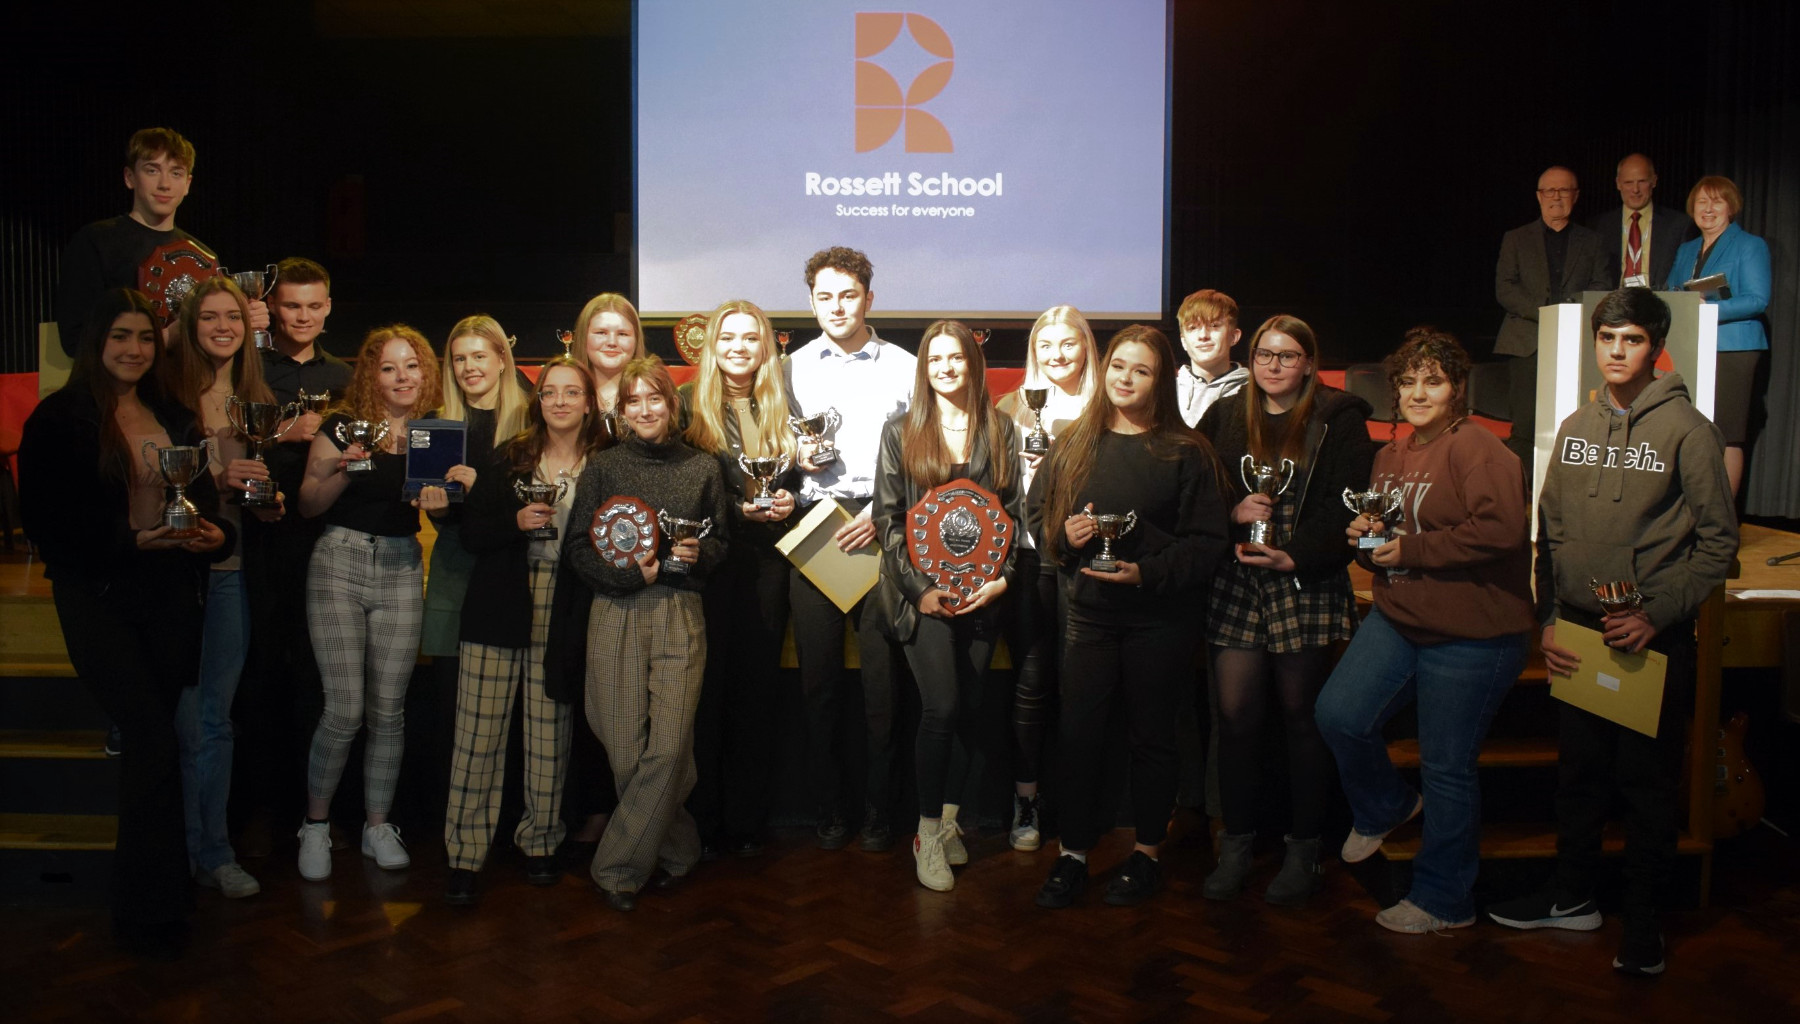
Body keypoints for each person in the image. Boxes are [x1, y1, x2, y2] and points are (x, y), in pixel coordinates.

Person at [1489, 288, 1737, 976]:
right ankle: (1572, 898)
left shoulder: (1688, 429)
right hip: (1579, 633)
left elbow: (1719, 544)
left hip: (1649, 638)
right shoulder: (1574, 426)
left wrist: (1656, 611)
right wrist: (1547, 618)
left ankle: (1646, 926)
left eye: (1630, 340)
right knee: (1580, 778)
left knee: (1646, 788)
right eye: (1607, 340)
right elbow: (1552, 531)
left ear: (1654, 347)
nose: (1617, 352)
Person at [20, 289, 230, 956]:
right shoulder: (60, 418)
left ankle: (158, 896)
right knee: (150, 738)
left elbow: (201, 504)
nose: (134, 349)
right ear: (96, 343)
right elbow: (48, 523)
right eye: (120, 337)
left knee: (155, 743)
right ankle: (148, 904)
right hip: (99, 596)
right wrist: (127, 542)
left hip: (168, 597)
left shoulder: (172, 412)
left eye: (144, 337)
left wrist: (212, 535)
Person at [1313, 327, 1534, 934]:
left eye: (1432, 381)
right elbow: (1390, 544)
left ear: (1457, 389)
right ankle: (1386, 804)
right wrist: (1366, 540)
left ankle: (1445, 900)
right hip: (1401, 616)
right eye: (1407, 382)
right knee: (1338, 714)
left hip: (1474, 632)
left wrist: (1412, 546)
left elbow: (1501, 532)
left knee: (1446, 768)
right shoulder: (1390, 455)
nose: (1417, 392)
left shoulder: (1480, 449)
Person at [1029, 325, 1231, 908]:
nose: (1126, 378)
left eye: (1140, 370)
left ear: (1158, 380)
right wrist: (1063, 537)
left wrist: (1148, 573)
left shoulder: (1187, 451)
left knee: (1151, 739)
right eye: (1119, 366)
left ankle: (1146, 854)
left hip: (1160, 619)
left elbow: (1205, 542)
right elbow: (1040, 515)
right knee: (1079, 735)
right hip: (1089, 617)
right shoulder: (1073, 442)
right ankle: (1073, 854)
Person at [1197, 314, 1375, 906]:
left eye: (1287, 356)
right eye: (1265, 355)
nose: (1274, 366)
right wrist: (1231, 513)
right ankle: (1237, 845)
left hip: (1305, 583)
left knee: (1303, 721)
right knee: (1238, 719)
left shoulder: (1339, 417)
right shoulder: (1224, 413)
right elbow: (1194, 488)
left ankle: (1304, 851)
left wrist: (1293, 556)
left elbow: (1343, 505)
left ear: (1307, 362)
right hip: (1237, 584)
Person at [565, 356, 730, 910]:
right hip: (615, 610)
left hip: (681, 612)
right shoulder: (603, 468)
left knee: (668, 746)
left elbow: (720, 544)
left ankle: (615, 869)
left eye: (653, 398)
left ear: (671, 403)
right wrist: (625, 574)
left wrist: (697, 553)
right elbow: (576, 547)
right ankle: (678, 847)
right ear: (622, 410)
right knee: (625, 752)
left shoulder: (703, 468)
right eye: (632, 401)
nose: (643, 410)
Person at [443, 355, 606, 905]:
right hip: (500, 602)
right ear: (538, 402)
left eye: (571, 392)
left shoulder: (605, 462)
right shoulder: (511, 458)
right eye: (550, 392)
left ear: (589, 402)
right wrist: (513, 523)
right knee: (477, 735)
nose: (560, 401)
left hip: (566, 606)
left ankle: (541, 843)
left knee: (549, 732)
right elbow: (471, 535)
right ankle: (464, 855)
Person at [295, 325, 454, 880]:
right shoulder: (344, 425)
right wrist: (344, 467)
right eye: (389, 367)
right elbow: (309, 504)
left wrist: (443, 500)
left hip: (401, 566)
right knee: (344, 710)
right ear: (371, 375)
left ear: (425, 372)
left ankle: (377, 826)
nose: (402, 376)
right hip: (339, 562)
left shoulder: (435, 433)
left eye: (411, 365)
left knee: (389, 711)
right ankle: (315, 826)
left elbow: (443, 513)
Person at [873, 320, 1024, 891]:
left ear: (973, 364)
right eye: (934, 359)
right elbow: (888, 521)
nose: (945, 368)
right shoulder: (900, 431)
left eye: (955, 358)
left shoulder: (1002, 430)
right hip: (925, 598)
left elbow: (1014, 516)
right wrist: (920, 589)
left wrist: (1002, 580)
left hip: (984, 596)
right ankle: (927, 830)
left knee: (971, 709)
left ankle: (952, 821)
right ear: (923, 368)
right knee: (942, 706)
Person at [782, 246, 915, 851]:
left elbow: (921, 458)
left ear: (870, 298)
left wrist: (880, 514)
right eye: (824, 296)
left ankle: (880, 812)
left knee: (882, 686)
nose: (836, 307)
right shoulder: (790, 367)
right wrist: (795, 456)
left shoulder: (907, 367)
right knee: (819, 685)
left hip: (881, 526)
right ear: (811, 301)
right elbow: (775, 446)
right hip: (816, 527)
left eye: (848, 294)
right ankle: (829, 808)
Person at [163, 276, 283, 900]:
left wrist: (266, 500)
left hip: (231, 574)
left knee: (215, 722)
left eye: (231, 316)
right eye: (208, 316)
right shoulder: (165, 395)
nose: (221, 327)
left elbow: (255, 499)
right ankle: (175, 850)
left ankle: (213, 850)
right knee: (179, 722)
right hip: (172, 577)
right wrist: (218, 473)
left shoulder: (252, 397)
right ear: (189, 325)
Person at [235, 256, 352, 855]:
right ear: (272, 309)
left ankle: (318, 808)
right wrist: (284, 432)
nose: (303, 315)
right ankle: (260, 807)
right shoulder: (247, 368)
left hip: (327, 544)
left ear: (329, 308)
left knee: (319, 676)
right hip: (261, 540)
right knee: (259, 673)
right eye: (291, 305)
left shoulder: (345, 375)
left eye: (314, 305)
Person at [679, 300, 802, 859]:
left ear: (766, 346)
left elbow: (798, 480)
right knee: (706, 693)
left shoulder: (784, 403)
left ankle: (747, 820)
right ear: (711, 344)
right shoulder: (685, 405)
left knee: (756, 693)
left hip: (768, 565)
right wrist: (735, 508)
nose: (738, 348)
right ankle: (701, 820)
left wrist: (789, 501)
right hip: (709, 566)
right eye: (728, 337)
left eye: (750, 339)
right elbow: (681, 492)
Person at [993, 305, 1099, 851]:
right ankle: (1027, 800)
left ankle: (1079, 803)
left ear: (1086, 348)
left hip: (1088, 565)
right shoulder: (1012, 408)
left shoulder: (1109, 406)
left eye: (1068, 344)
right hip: (1031, 561)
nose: (1057, 356)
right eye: (1046, 346)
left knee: (1082, 687)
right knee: (1032, 684)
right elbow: (992, 488)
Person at [417, 317, 530, 821]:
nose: (469, 368)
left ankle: (508, 821)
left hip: (515, 575)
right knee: (454, 709)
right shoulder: (437, 426)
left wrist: (483, 486)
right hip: (457, 573)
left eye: (479, 356)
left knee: (515, 713)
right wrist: (438, 511)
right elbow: (450, 523)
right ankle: (458, 822)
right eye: (459, 359)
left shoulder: (531, 422)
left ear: (502, 359)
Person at [54, 127, 267, 352]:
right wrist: (165, 338)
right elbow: (74, 340)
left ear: (187, 184)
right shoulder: (95, 242)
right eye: (152, 170)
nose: (165, 184)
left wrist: (243, 320)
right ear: (129, 177)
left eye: (176, 173)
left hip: (194, 383)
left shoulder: (205, 256)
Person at [1494, 166, 1610, 468]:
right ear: (1538, 196)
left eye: (1564, 190)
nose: (1556, 197)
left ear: (1576, 195)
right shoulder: (1516, 238)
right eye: (1549, 190)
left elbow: (1602, 286)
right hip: (1526, 343)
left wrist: (1568, 312)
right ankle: (1518, 503)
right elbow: (1504, 288)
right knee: (1525, 428)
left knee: (1575, 424)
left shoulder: (1593, 241)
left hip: (1577, 343)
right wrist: (1546, 314)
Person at [1665, 175, 1771, 498]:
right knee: (1691, 431)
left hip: (1733, 350)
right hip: (1690, 347)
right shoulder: (1686, 250)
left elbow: (1757, 299)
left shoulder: (1750, 245)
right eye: (1701, 202)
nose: (1708, 209)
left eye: (1716, 201)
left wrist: (1706, 308)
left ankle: (1721, 522)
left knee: (1727, 433)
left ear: (1731, 207)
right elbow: (1670, 290)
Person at [1588, 154, 1694, 290]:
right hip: (1612, 304)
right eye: (1628, 182)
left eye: (1642, 181)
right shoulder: (1599, 226)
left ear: (1654, 181)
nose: (1635, 189)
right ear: (1618, 184)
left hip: (1659, 303)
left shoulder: (1678, 224)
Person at [1174, 288, 1249, 428]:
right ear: (1183, 341)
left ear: (1234, 336)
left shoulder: (1253, 392)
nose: (1203, 335)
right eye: (1192, 328)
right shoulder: (1167, 390)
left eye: (1214, 326)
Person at [575, 293, 649, 413]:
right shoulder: (563, 397)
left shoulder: (657, 396)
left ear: (636, 340)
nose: (612, 342)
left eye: (622, 334)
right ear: (583, 337)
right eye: (601, 333)